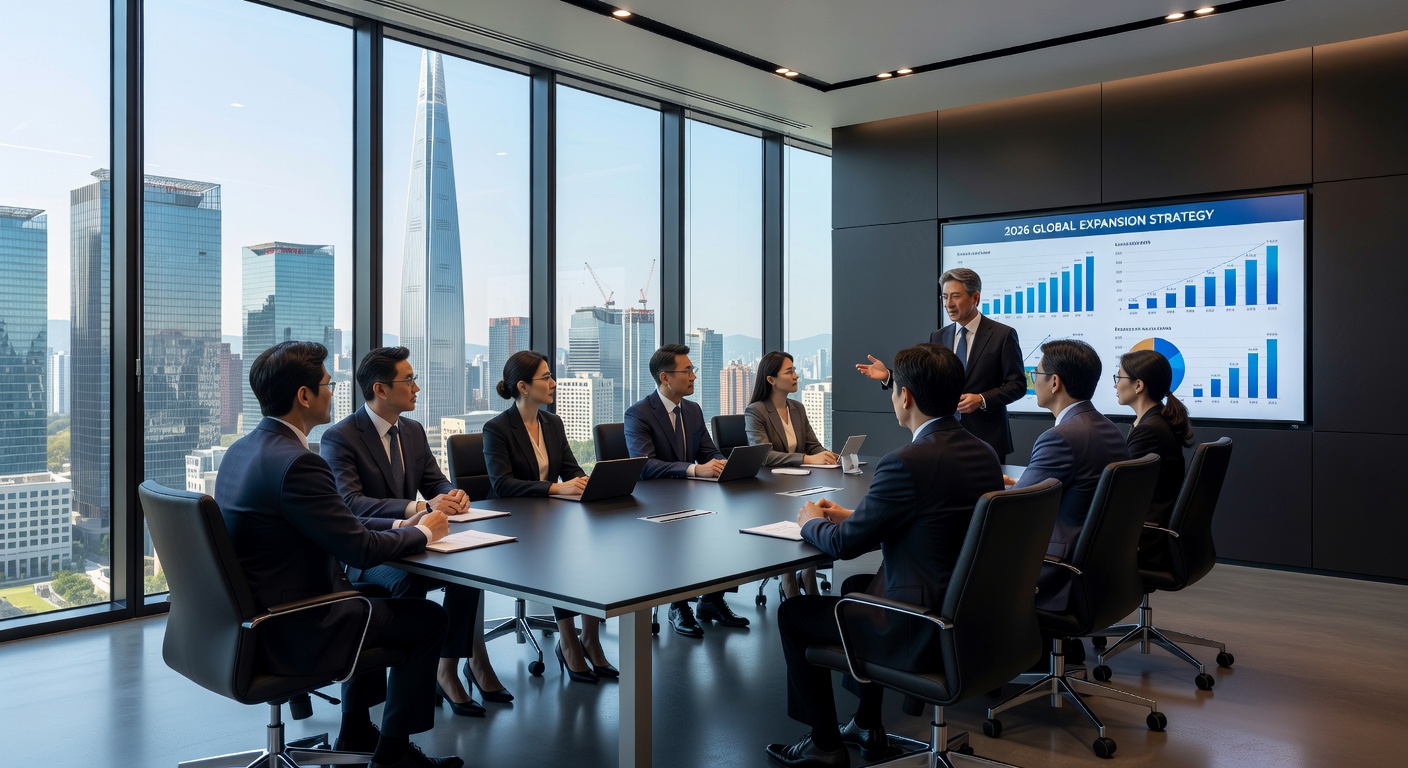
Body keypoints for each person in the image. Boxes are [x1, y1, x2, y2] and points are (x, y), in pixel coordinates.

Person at [215, 340, 461, 768]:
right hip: (295, 626)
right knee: (428, 621)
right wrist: (422, 532)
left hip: (248, 622)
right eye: (328, 384)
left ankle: (356, 729)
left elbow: (337, 526)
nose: (334, 392)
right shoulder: (299, 462)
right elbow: (360, 549)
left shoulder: (242, 450)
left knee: (377, 598)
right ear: (304, 396)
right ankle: (393, 756)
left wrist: (404, 524)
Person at [766, 345, 1003, 768]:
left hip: (921, 623)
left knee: (795, 615)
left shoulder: (904, 462)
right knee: (859, 586)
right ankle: (866, 724)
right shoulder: (982, 453)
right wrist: (856, 516)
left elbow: (843, 546)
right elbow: (933, 520)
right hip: (972, 612)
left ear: (905, 396)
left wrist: (809, 522)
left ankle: (823, 744)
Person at [320, 346, 508, 714]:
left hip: (414, 539)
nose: (416, 388)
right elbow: (351, 504)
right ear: (381, 389)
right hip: (367, 549)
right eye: (409, 381)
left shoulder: (413, 431)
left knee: (466, 571)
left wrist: (451, 496)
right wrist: (421, 507)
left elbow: (434, 481)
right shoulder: (340, 437)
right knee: (409, 582)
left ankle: (446, 668)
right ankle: (406, 682)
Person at [482, 350, 617, 684]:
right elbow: (502, 485)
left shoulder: (552, 423)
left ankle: (590, 639)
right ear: (524, 387)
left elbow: (571, 470)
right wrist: (556, 490)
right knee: (562, 556)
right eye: (546, 377)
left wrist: (587, 483)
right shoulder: (497, 428)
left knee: (592, 545)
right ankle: (569, 642)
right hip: (512, 522)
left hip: (549, 519)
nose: (553, 383)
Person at [624, 342, 749, 638]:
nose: (693, 376)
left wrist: (725, 465)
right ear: (665, 377)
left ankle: (712, 600)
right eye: (688, 370)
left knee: (728, 525)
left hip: (688, 495)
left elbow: (709, 452)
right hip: (652, 502)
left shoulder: (692, 410)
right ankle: (677, 606)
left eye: (693, 370)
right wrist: (695, 469)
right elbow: (645, 466)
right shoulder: (638, 414)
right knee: (682, 534)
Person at [855, 267, 1026, 460]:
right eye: (945, 297)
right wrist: (889, 376)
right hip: (941, 438)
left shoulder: (1002, 335)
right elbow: (925, 381)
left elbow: (1018, 385)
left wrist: (981, 399)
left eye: (955, 297)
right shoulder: (938, 336)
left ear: (975, 297)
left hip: (987, 438)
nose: (949, 304)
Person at [1013, 338, 1129, 617]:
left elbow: (1014, 510)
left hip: (1057, 571)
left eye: (1036, 374)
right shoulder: (1110, 429)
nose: (1034, 381)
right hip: (1102, 569)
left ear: (1055, 383)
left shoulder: (1060, 438)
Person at [744, 351, 839, 600]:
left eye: (795, 370)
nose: (796, 376)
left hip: (799, 485)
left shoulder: (797, 408)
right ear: (771, 379)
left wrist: (827, 455)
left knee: (814, 510)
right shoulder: (756, 411)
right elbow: (763, 456)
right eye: (789, 372)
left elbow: (812, 445)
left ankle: (807, 574)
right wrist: (808, 459)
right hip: (769, 491)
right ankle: (789, 580)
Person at [1114, 348, 1194, 568]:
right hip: (1154, 529)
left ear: (1138, 385)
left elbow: (1122, 492)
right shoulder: (1156, 420)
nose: (1115, 385)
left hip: (1146, 538)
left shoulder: (1149, 430)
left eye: (1118, 377)